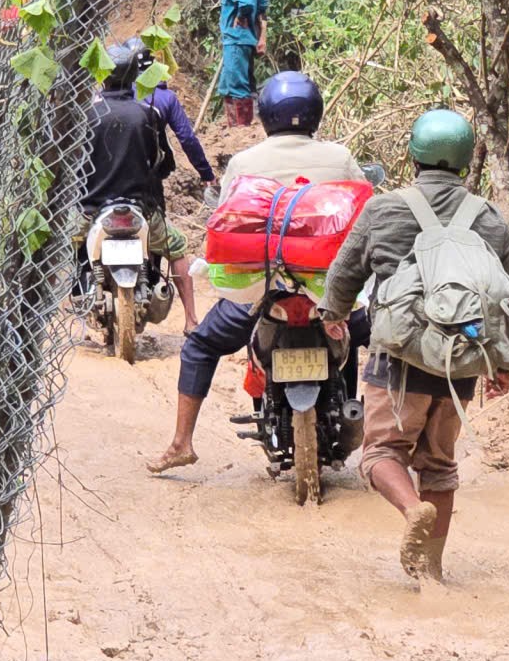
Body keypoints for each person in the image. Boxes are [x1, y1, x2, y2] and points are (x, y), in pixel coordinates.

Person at [320, 108, 509, 583]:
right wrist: (502, 364)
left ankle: (411, 511)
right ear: (466, 161)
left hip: (399, 359)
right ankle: (433, 572)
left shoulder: (384, 209)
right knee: (440, 466)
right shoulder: (490, 219)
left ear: (413, 155)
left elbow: (346, 272)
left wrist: (334, 314)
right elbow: (507, 296)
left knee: (381, 453)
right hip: (463, 362)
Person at [147, 71, 364, 475]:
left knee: (200, 347)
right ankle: (397, 442)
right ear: (315, 111)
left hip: (259, 290)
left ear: (265, 114)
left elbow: (226, 217)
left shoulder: (245, 162)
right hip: (327, 291)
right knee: (387, 337)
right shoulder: (340, 158)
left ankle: (181, 443)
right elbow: (363, 218)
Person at [80, 43, 199, 334]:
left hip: (93, 208)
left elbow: (76, 166)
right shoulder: (147, 114)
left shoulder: (87, 116)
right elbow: (164, 161)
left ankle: (79, 292)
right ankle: (191, 320)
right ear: (135, 76)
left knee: (72, 246)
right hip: (141, 207)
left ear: (102, 76)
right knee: (179, 249)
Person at [119, 37, 218, 199]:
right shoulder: (166, 97)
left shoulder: (114, 97)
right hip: (152, 166)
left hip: (117, 165)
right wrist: (206, 174)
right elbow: (187, 138)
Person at [214, 0, 269, 127]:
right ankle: (232, 126)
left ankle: (242, 128)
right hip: (239, 41)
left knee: (238, 83)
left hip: (236, 41)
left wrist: (241, 16)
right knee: (227, 83)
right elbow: (262, 4)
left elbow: (245, 4)